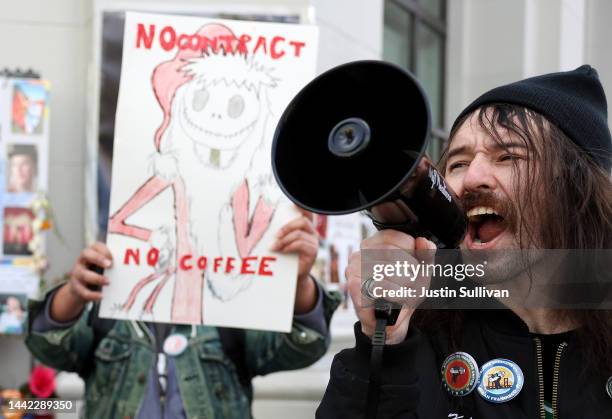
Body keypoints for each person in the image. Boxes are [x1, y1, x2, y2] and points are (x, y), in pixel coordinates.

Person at [317, 65, 612, 418]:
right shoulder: (425, 326)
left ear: (576, 188)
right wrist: (382, 343)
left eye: (509, 156)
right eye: (457, 163)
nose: (472, 178)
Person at [26, 212, 341, 419]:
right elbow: (47, 346)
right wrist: (73, 293)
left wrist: (298, 282)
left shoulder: (232, 307)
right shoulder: (108, 301)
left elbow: (301, 347)